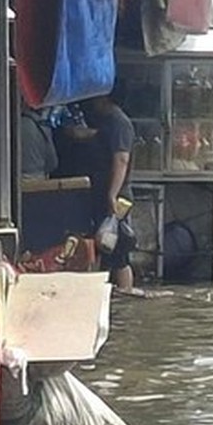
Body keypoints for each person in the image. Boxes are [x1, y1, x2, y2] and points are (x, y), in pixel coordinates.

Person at [80, 94, 138, 292]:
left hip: (116, 197)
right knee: (100, 248)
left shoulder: (119, 123)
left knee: (118, 251)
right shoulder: (105, 122)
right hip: (103, 193)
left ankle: (125, 294)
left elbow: (121, 159)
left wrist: (112, 194)